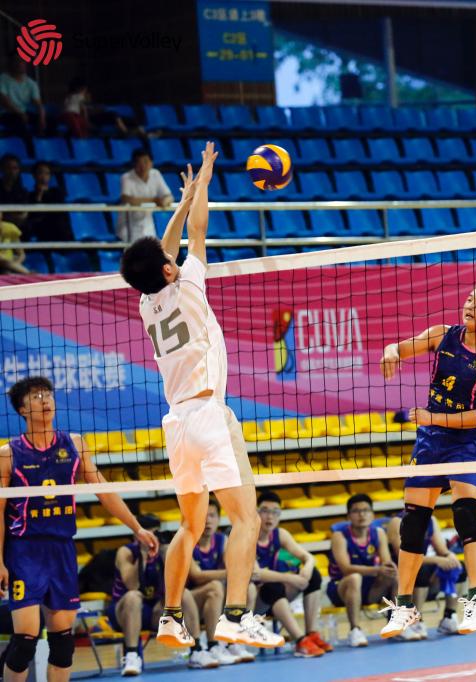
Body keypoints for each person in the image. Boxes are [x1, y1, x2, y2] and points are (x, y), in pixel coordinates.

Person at [119, 142, 282, 652]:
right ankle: (235, 616)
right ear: (169, 270)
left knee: (190, 527)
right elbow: (195, 234)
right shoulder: (188, 283)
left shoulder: (147, 304)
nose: (174, 260)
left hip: (177, 425)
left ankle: (170, 616)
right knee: (247, 519)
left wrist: (183, 199)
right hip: (210, 414)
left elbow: (164, 251)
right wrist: (204, 183)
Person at [0, 376, 159, 682]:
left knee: (63, 645)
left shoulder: (74, 444)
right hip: (24, 552)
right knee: (24, 643)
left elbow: (104, 492)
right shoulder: (9, 454)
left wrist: (137, 528)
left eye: (48, 394)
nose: (45, 400)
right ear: (22, 409)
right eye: (36, 397)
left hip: (62, 550)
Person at [378, 284, 476, 638]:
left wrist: (431, 417)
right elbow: (399, 348)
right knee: (413, 521)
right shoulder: (442, 335)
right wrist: (391, 352)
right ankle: (404, 605)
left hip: (466, 440)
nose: (469, 305)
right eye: (468, 299)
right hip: (431, 440)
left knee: (466, 513)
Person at [109, 515, 220, 674]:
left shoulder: (163, 551)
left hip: (155, 610)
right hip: (125, 612)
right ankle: (132, 655)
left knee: (183, 593)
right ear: (137, 535)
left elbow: (175, 588)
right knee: (133, 597)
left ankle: (196, 651)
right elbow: (132, 585)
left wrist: (168, 557)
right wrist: (143, 555)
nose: (152, 539)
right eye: (148, 534)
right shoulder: (126, 552)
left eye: (155, 534)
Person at [253, 491, 330, 657]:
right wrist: (290, 578)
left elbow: (308, 557)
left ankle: (311, 633)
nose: (270, 516)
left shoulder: (280, 534)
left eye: (275, 512)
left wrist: (307, 567)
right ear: (256, 513)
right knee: (272, 586)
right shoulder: (247, 536)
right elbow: (256, 574)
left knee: (313, 575)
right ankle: (300, 641)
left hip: (276, 598)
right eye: (265, 511)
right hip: (253, 602)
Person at [326, 494, 397, 647]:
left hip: (370, 588)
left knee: (395, 575)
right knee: (354, 578)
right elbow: (346, 569)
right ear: (348, 516)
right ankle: (355, 630)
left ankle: (396, 625)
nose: (362, 514)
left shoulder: (378, 533)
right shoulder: (339, 536)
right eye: (356, 511)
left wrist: (389, 568)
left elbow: (386, 563)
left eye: (366, 510)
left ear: (372, 514)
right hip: (341, 587)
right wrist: (378, 569)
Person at [186, 498, 250, 665]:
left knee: (247, 588)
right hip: (189, 602)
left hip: (214, 600)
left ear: (218, 519)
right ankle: (213, 645)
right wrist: (230, 573)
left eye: (212, 516)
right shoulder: (187, 540)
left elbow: (233, 567)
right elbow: (196, 576)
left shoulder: (222, 540)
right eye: (203, 516)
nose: (207, 520)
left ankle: (233, 642)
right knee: (215, 586)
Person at [385, 510, 464, 638]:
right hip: (398, 575)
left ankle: (449, 616)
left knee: (458, 567)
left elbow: (442, 550)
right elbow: (405, 557)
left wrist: (450, 556)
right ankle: (415, 619)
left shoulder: (431, 520)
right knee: (421, 569)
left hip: (420, 569)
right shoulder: (397, 522)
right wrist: (437, 560)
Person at [117, 148, 172, 242]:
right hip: (129, 225)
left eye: (145, 162)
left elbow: (168, 196)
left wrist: (164, 202)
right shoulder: (126, 177)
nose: (143, 166)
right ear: (134, 164)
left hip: (148, 225)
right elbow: (126, 199)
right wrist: (154, 200)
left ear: (151, 163)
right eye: (139, 163)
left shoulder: (156, 174)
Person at [26, 161, 72, 243]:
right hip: (43, 233)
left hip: (60, 232)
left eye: (47, 173)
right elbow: (35, 215)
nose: (43, 176)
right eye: (40, 173)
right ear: (34, 175)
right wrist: (39, 195)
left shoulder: (57, 193)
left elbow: (60, 214)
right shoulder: (30, 196)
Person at [0, 57, 44, 135]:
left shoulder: (31, 83)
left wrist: (42, 118)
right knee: (20, 122)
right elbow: (5, 101)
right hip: (6, 113)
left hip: (23, 113)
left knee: (51, 121)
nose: (20, 64)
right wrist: (20, 113)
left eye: (22, 61)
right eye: (17, 61)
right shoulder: (3, 79)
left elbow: (38, 104)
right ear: (11, 63)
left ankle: (42, 141)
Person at [0, 155, 28, 229]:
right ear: (2, 169)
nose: (12, 172)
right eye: (8, 168)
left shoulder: (22, 192)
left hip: (18, 225)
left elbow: (23, 214)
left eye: (15, 168)